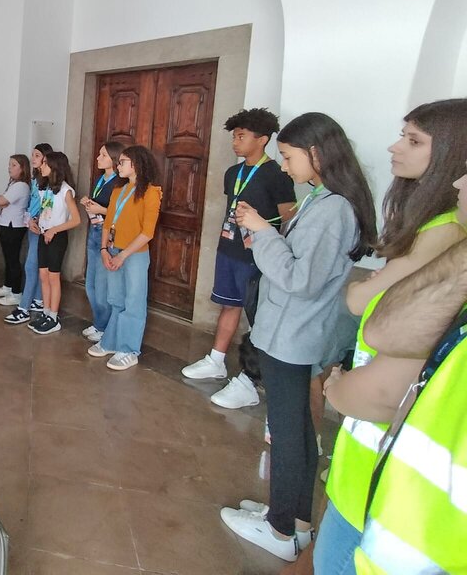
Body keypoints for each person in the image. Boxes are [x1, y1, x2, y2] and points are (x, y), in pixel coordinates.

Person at [313, 99, 467, 574]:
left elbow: (364, 304)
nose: (395, 147)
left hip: (397, 484)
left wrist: (340, 389)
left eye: (414, 140)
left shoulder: (446, 235)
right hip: (372, 454)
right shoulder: (432, 227)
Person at [220, 112, 376, 562]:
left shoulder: (334, 208)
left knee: (289, 434)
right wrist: (267, 236)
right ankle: (295, 521)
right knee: (298, 431)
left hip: (293, 332)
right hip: (292, 328)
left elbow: (299, 279)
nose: (285, 167)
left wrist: (263, 232)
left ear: (316, 153)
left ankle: (282, 529)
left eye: (288, 158)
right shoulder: (323, 199)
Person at [347, 196, 467, 574]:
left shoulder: (445, 232)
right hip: (388, 507)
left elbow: (364, 308)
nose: (460, 183)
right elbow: (379, 328)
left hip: (418, 536)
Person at [181, 108, 296, 409]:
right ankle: (216, 359)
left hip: (259, 256)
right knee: (228, 304)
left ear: (262, 140)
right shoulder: (233, 173)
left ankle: (253, 377)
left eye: (241, 137)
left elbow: (288, 219)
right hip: (229, 249)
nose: (235, 142)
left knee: (260, 315)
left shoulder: (276, 175)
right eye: (234, 137)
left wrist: (269, 239)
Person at [87, 145, 162, 370]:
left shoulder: (151, 192)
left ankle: (129, 349)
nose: (118, 165)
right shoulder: (119, 190)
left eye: (122, 162)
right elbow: (108, 223)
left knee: (133, 301)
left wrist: (123, 255)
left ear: (136, 164)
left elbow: (147, 232)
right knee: (115, 299)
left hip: (134, 254)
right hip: (113, 250)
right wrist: (104, 250)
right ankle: (111, 341)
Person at [28, 151, 81, 335]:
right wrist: (35, 221)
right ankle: (45, 311)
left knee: (53, 277)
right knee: (43, 275)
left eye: (45, 163)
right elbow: (45, 211)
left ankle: (53, 316)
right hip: (44, 234)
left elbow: (76, 220)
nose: (41, 166)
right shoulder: (46, 188)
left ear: (55, 167)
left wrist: (54, 230)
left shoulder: (66, 191)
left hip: (57, 237)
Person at [79, 142, 125, 344]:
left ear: (114, 159)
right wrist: (89, 204)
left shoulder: (119, 183)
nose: (98, 158)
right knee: (90, 283)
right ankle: (99, 322)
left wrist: (100, 210)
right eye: (99, 154)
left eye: (103, 155)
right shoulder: (101, 179)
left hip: (108, 234)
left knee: (102, 285)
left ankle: (103, 326)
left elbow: (121, 213)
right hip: (95, 230)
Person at [3, 143, 54, 325]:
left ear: (46, 158)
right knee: (36, 266)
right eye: (33, 155)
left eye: (37, 155)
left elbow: (48, 206)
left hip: (42, 228)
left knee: (32, 266)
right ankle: (37, 300)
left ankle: (24, 308)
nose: (33, 158)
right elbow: (31, 205)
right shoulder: (35, 180)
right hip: (32, 226)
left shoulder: (50, 182)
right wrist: (30, 219)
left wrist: (37, 220)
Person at [0, 154, 31, 308]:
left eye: (14, 165)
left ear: (23, 168)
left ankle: (16, 293)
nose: (9, 168)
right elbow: (0, 202)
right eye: (9, 165)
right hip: (7, 224)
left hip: (14, 226)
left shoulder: (21, 186)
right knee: (8, 257)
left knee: (13, 259)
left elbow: (1, 201)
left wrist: (1, 200)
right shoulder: (14, 184)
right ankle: (7, 286)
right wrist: (1, 201)